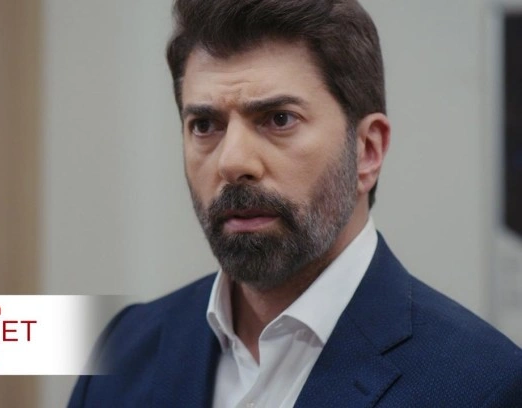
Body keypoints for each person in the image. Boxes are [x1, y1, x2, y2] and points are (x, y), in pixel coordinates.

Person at [69, 0, 522, 406]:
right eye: (205, 125)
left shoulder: (484, 386)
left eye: (279, 119)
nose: (233, 162)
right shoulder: (125, 349)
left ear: (367, 151)